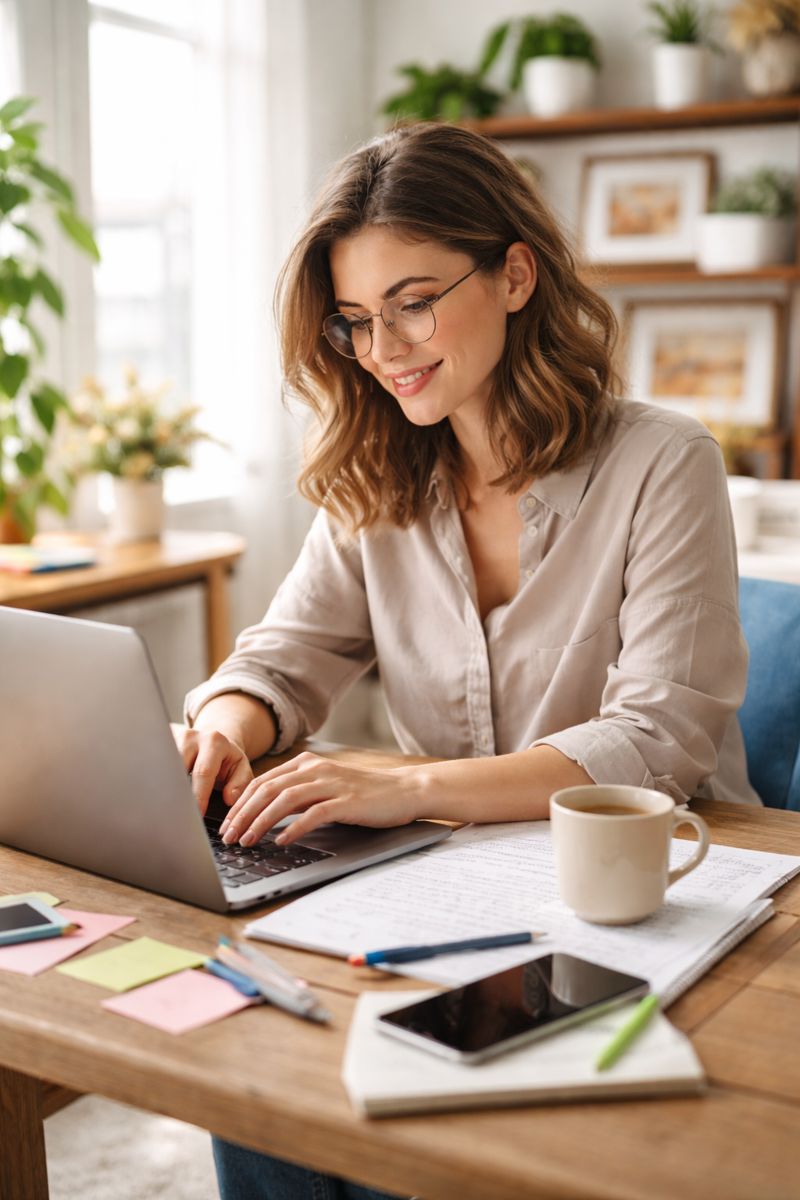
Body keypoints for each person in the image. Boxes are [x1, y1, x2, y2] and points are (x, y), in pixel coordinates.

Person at [174, 122, 759, 1200]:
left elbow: (654, 744)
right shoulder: (375, 476)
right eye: (355, 321)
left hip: (653, 892)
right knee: (258, 1078)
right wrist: (223, 727)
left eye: (413, 300)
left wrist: (406, 789)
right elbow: (282, 657)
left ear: (514, 273)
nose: (384, 346)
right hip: (450, 895)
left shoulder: (660, 462)